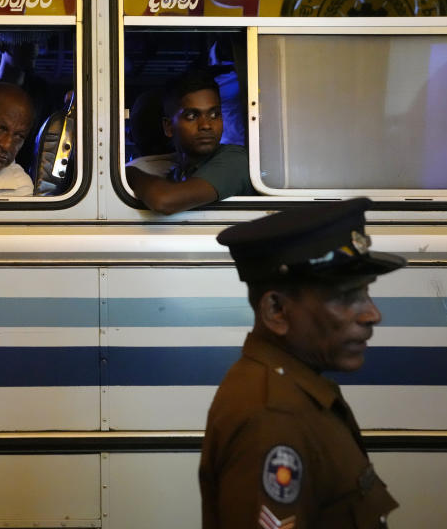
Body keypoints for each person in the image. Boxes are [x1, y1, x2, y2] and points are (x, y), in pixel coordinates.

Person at [200, 198, 405, 528]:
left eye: (366, 294)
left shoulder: (297, 391)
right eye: (346, 297)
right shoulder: (273, 418)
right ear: (276, 311)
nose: (372, 314)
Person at [126, 70, 252, 214]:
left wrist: (129, 173)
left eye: (214, 114)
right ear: (168, 127)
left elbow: (164, 201)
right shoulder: (178, 171)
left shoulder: (235, 160)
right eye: (191, 116)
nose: (206, 125)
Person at [0, 39, 51, 174]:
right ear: (2, 45)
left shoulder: (42, 92)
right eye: (23, 40)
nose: (33, 48)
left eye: (36, 41)